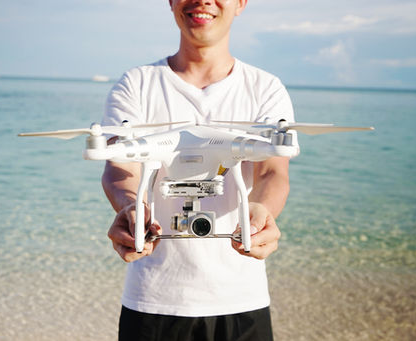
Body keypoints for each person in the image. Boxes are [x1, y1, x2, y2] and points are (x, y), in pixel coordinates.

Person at [101, 1, 297, 340]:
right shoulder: (137, 84)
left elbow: (272, 172)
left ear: (240, 3)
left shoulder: (265, 88)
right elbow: (120, 167)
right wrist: (131, 207)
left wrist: (260, 213)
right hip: (153, 301)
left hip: (242, 299)